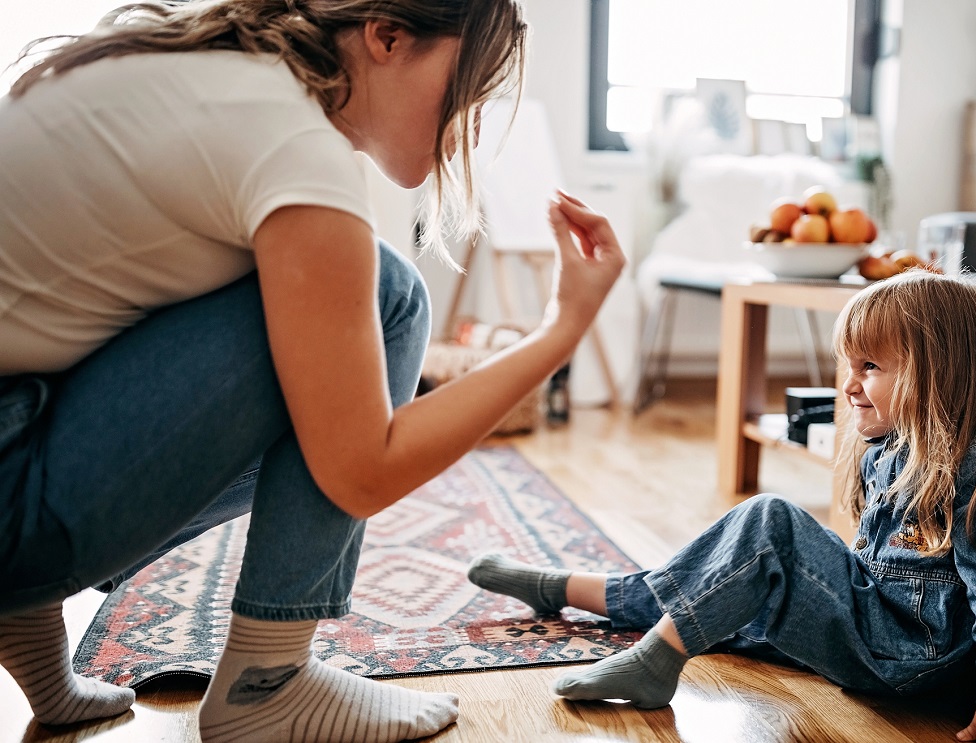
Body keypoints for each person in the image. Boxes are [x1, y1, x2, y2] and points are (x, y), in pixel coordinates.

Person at [0, 1, 626, 740]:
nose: (473, 125)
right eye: (468, 90)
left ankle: (22, 607)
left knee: (327, 328)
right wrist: (562, 330)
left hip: (21, 417)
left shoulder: (217, 70)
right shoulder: (293, 145)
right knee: (388, 297)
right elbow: (361, 470)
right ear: (387, 37)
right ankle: (268, 683)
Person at [469, 270, 976, 743]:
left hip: (905, 653)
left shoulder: (972, 471)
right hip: (875, 622)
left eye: (870, 368)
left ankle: (655, 662)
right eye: (849, 366)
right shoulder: (891, 448)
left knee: (768, 522)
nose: (849, 385)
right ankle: (568, 589)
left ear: (936, 374)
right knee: (717, 582)